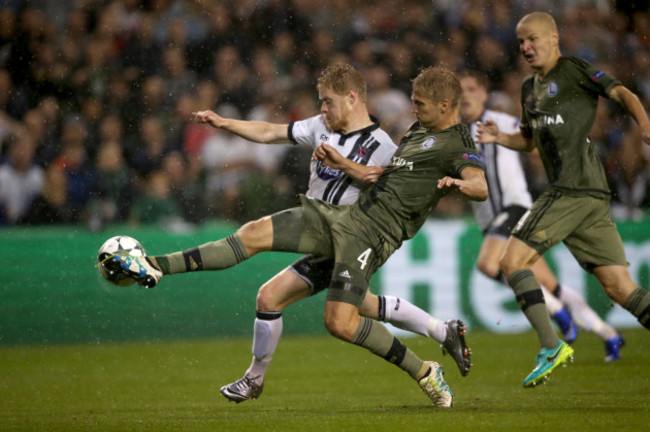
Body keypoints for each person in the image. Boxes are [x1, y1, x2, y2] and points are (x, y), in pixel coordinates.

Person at [108, 65, 488, 407]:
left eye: (419, 103)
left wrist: (457, 183)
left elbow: (476, 185)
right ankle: (155, 267)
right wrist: (225, 124)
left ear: (444, 104)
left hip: (367, 235)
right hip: (336, 219)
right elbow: (282, 137)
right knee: (260, 259)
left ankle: (425, 368)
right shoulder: (416, 130)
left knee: (343, 319)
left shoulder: (418, 144)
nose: (413, 109)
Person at [476, 12, 650, 388]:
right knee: (621, 288)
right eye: (521, 41)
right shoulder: (528, 88)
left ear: (554, 37)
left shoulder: (574, 71)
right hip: (589, 195)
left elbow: (623, 92)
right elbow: (529, 140)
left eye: (533, 39)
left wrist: (645, 124)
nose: (526, 47)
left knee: (511, 261)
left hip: (571, 190)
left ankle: (551, 346)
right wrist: (499, 138)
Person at [459, 69, 625, 361]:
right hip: (491, 221)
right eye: (461, 91)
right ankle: (609, 335)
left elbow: (536, 141)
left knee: (488, 264)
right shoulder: (458, 135)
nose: (466, 96)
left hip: (514, 208)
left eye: (472, 88)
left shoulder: (500, 122)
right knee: (549, 284)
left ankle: (558, 313)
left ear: (484, 94)